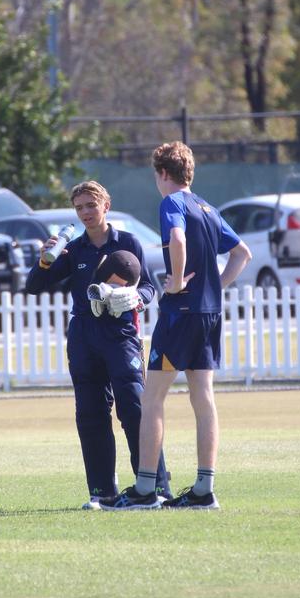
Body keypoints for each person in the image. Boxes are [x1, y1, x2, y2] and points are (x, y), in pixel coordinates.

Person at [100, 142, 251, 511]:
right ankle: (204, 489)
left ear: (163, 173)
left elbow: (178, 238)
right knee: (203, 398)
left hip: (180, 313)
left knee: (152, 398)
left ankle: (146, 489)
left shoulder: (173, 203)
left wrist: (179, 281)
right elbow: (242, 254)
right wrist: (214, 286)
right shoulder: (208, 207)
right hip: (208, 312)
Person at [25, 180, 171, 509]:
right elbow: (34, 285)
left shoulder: (127, 242)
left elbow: (149, 288)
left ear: (106, 205)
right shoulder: (74, 249)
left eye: (91, 205)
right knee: (90, 414)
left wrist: (135, 299)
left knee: (134, 408)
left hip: (121, 336)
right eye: (79, 208)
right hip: (83, 337)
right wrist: (45, 260)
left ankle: (155, 487)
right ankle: (102, 492)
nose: (86, 213)